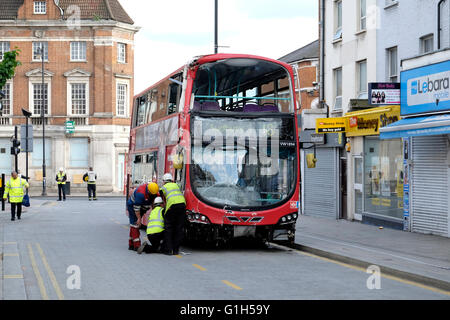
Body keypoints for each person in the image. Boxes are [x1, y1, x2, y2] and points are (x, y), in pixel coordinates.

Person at [126, 182, 159, 251]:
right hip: (133, 207)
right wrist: (139, 218)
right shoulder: (140, 194)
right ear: (148, 191)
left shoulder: (154, 190)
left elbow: (153, 201)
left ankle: (131, 245)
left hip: (142, 207)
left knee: (133, 225)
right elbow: (136, 208)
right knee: (135, 225)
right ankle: (137, 245)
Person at [160, 173, 186, 256]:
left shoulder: (163, 188)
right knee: (179, 228)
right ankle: (176, 250)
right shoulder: (176, 185)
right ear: (172, 180)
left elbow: (163, 201)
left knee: (168, 228)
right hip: (182, 205)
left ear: (164, 181)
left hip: (172, 207)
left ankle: (168, 250)